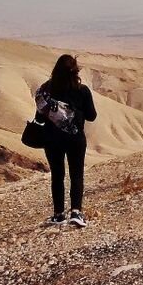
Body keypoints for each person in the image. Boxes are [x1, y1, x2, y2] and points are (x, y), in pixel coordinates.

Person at [35, 54, 97, 227]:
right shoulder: (82, 90)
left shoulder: (45, 90)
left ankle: (58, 214)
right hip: (75, 138)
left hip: (52, 139)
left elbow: (39, 119)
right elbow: (92, 116)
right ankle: (76, 212)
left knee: (57, 175)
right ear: (75, 71)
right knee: (76, 175)